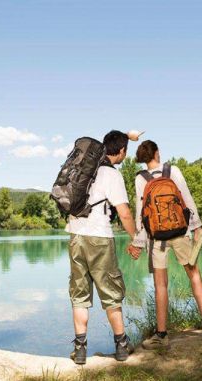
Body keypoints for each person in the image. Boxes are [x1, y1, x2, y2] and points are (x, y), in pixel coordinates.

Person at [128, 140, 202, 349]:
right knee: (194, 274)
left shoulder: (140, 179)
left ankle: (161, 335)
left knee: (161, 285)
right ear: (157, 153)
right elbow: (186, 198)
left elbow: (141, 212)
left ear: (143, 159)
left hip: (157, 239)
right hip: (181, 233)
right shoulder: (173, 170)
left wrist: (139, 242)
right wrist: (197, 226)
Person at [65, 130, 139, 364]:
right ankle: (121, 345)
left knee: (79, 294)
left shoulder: (83, 169)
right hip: (99, 238)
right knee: (111, 293)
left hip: (75, 235)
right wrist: (136, 238)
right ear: (122, 151)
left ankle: (80, 350)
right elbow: (124, 213)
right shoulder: (111, 174)